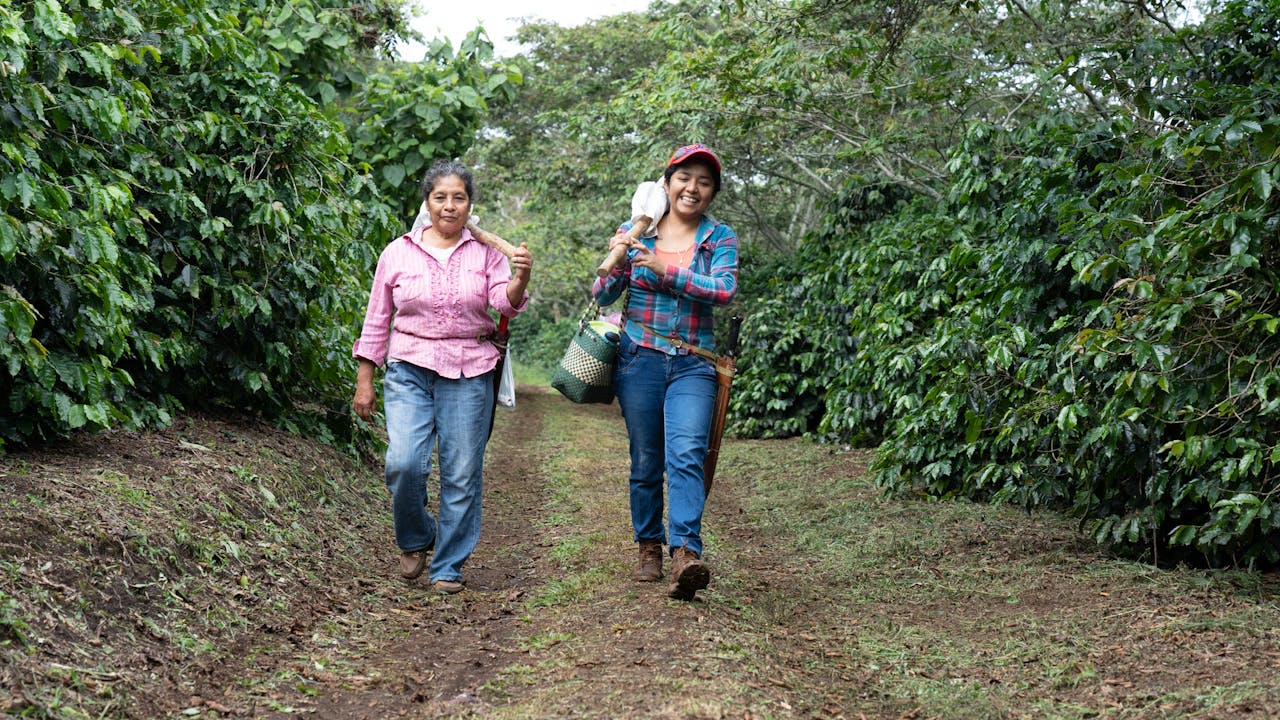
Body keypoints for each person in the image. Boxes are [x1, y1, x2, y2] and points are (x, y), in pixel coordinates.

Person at [352, 159, 532, 594]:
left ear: (470, 205)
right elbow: (378, 318)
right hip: (409, 367)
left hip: (470, 369)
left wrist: (520, 276)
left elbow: (503, 304)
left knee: (461, 471)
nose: (449, 206)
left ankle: (448, 565)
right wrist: (365, 378)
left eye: (459, 198)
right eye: (441, 197)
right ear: (427, 202)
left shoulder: (488, 254)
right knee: (404, 463)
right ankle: (416, 538)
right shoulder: (397, 252)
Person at [592, 143, 739, 601]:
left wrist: (665, 270)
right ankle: (649, 546)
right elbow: (601, 295)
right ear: (667, 182)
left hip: (694, 362)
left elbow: (724, 290)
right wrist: (616, 260)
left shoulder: (719, 238)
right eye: (684, 178)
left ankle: (686, 553)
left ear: (712, 192)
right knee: (647, 461)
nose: (692, 188)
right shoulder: (637, 229)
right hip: (640, 359)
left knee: (688, 453)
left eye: (704, 181)